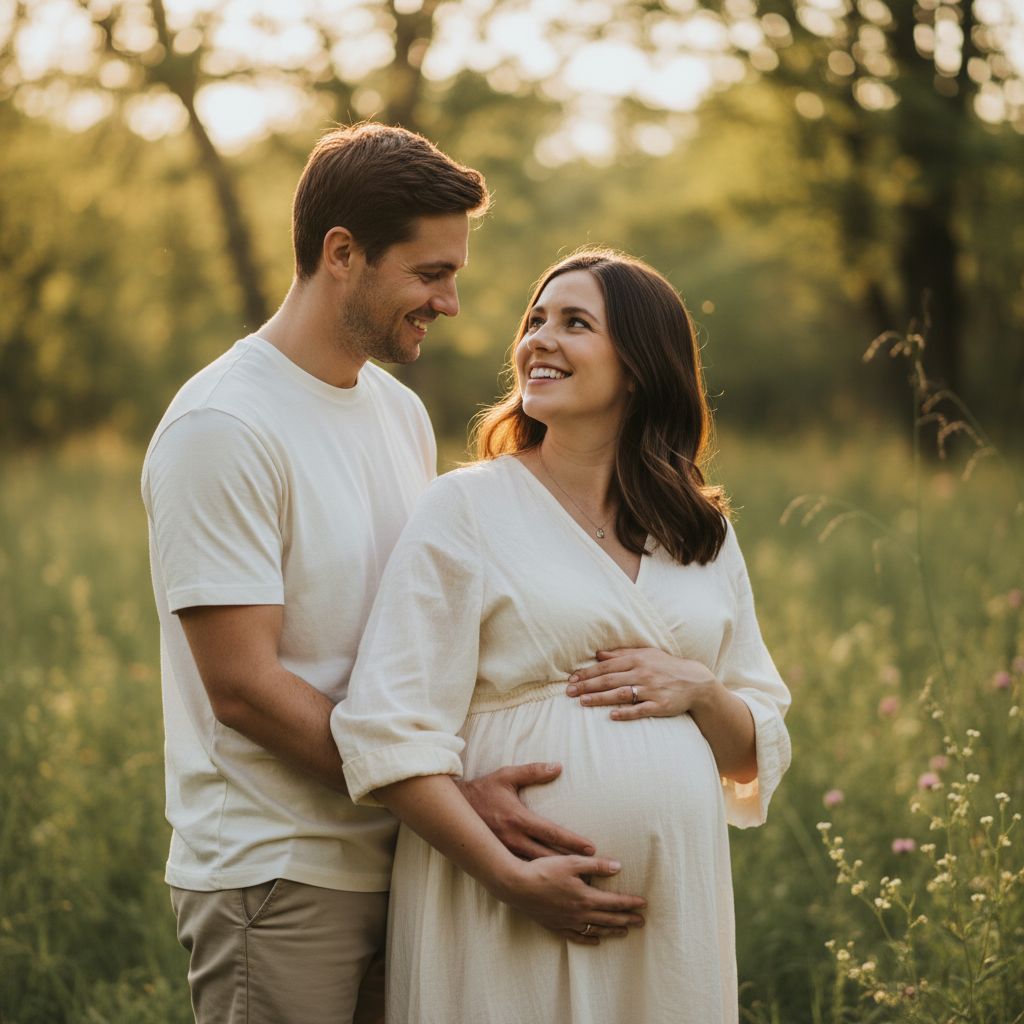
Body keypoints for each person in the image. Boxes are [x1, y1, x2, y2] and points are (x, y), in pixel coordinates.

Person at [141, 125, 639, 1024]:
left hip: (408, 859)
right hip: (279, 874)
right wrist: (448, 797)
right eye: (430, 273)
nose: (450, 303)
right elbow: (245, 688)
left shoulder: (398, 413)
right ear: (342, 254)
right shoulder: (223, 427)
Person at [332, 248, 793, 1024]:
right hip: (500, 901)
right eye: (535, 321)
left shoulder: (700, 530)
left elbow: (754, 746)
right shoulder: (468, 509)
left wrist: (701, 689)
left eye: (574, 323)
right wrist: (510, 879)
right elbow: (388, 734)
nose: (540, 340)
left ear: (641, 366)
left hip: (668, 916)